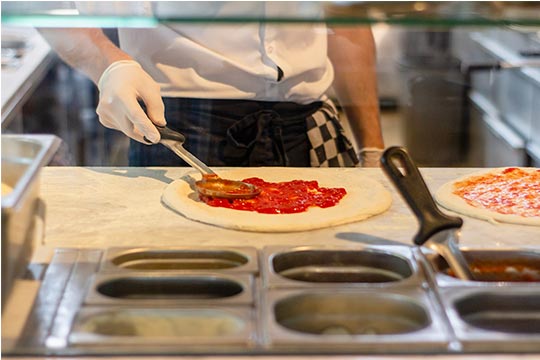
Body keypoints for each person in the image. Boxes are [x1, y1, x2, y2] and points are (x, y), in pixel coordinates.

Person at [38, 2, 384, 167]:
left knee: (319, 282)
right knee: (182, 290)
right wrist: (109, 65)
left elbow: (346, 17)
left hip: (307, 125)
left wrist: (374, 150)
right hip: (179, 128)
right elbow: (44, 5)